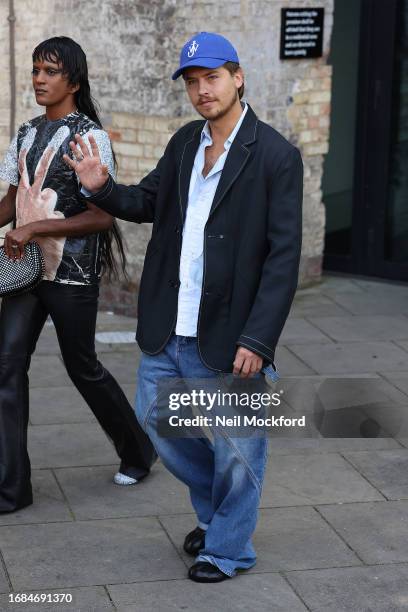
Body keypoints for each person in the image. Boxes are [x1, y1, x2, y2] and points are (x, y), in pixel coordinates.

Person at [65, 32, 303, 582]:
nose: (202, 91)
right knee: (162, 431)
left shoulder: (274, 156)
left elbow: (283, 259)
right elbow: (147, 201)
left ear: (238, 77)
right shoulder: (184, 144)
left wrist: (259, 339)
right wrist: (101, 187)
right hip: (171, 327)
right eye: (193, 82)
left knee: (238, 450)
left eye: (212, 78)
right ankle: (222, 519)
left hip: (231, 332)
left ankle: (228, 548)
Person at [0, 36, 156, 514]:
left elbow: (102, 216)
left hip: (70, 275)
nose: (39, 80)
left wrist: (36, 226)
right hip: (24, 273)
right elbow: (10, 202)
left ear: (74, 79)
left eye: (49, 71)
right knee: (6, 365)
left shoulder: (89, 138)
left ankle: (138, 449)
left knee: (82, 367)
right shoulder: (25, 132)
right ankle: (12, 490)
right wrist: (16, 223)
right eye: (35, 70)